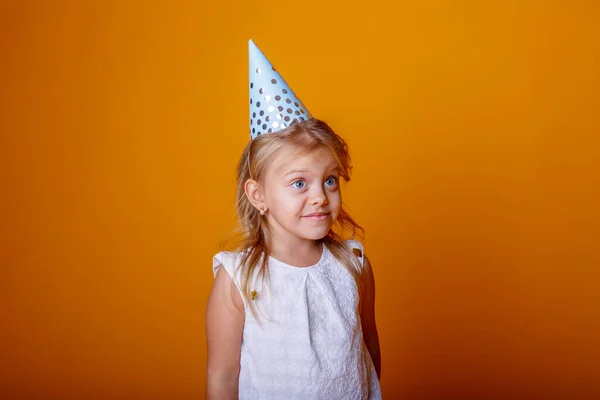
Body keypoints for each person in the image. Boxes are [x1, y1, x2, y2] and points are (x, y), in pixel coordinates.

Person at [205, 39, 382, 399]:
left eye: (329, 180)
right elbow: (222, 376)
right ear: (258, 196)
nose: (320, 195)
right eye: (299, 183)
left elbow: (368, 347)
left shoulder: (353, 265)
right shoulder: (238, 278)